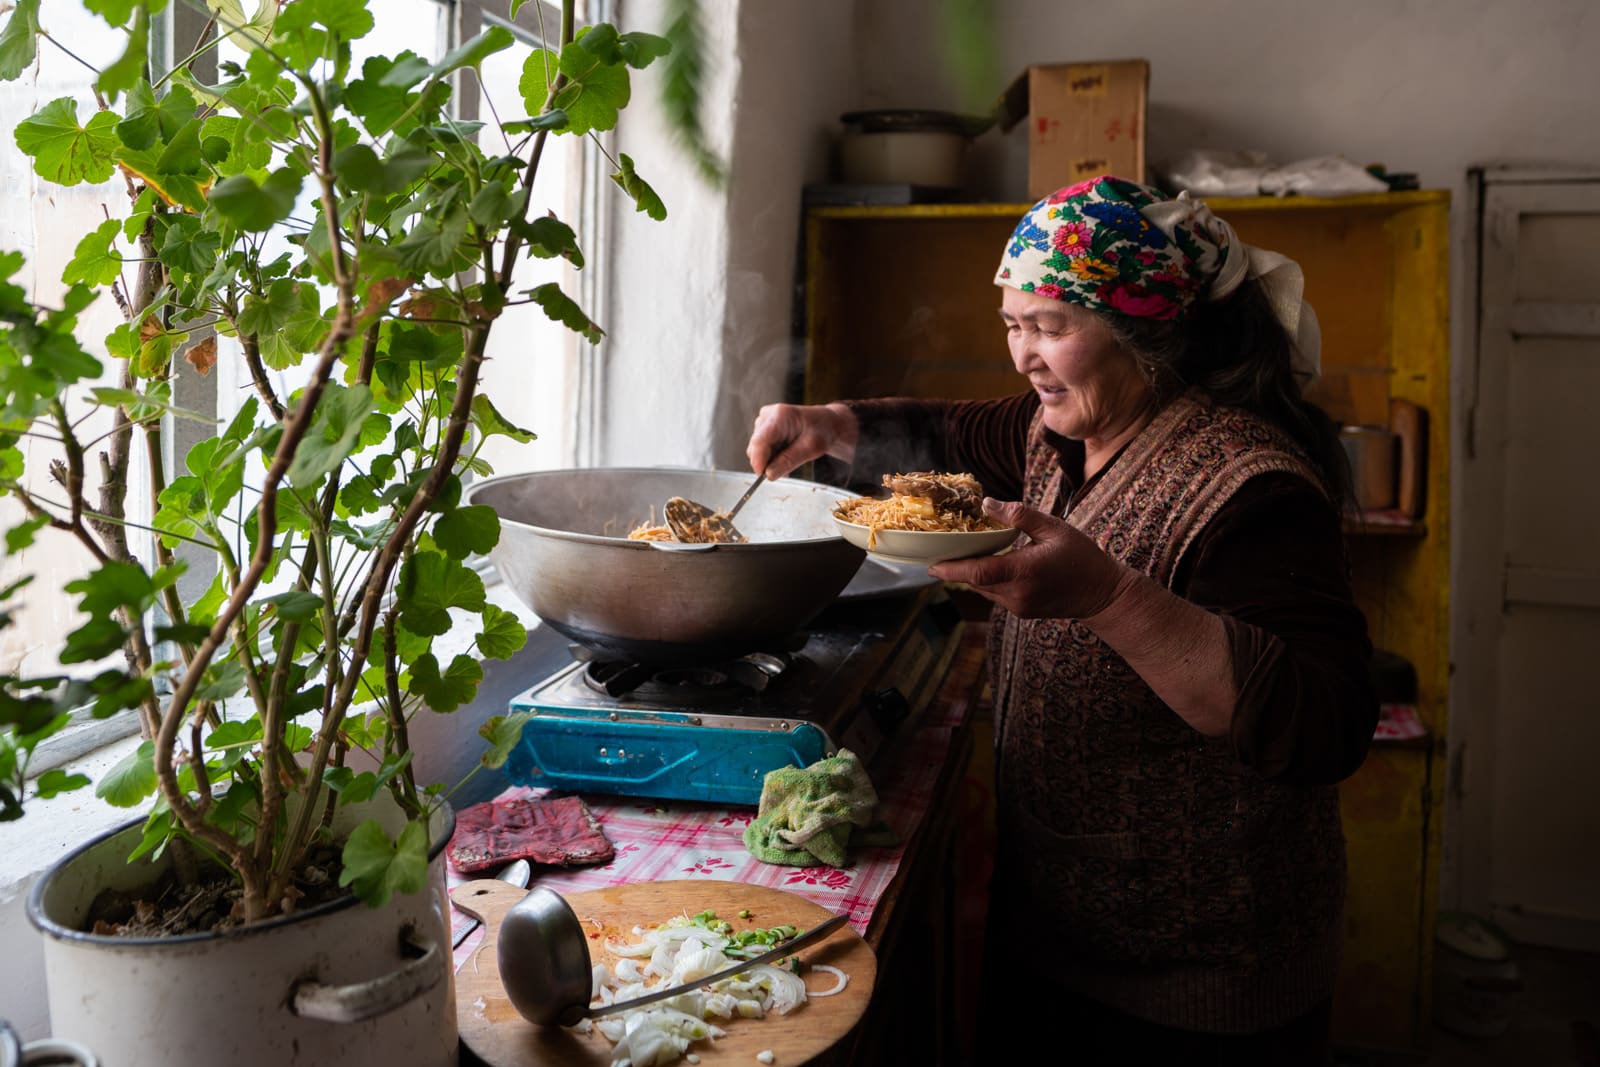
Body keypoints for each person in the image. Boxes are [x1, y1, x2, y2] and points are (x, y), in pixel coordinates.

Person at [746, 176, 1377, 1064]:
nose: (1023, 357)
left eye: (1050, 327)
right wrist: (828, 424)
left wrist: (1107, 597)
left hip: (1202, 984)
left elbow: (1325, 724)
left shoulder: (1253, 486)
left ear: (1146, 333)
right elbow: (953, 434)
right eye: (1013, 324)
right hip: (1055, 930)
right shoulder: (1060, 432)